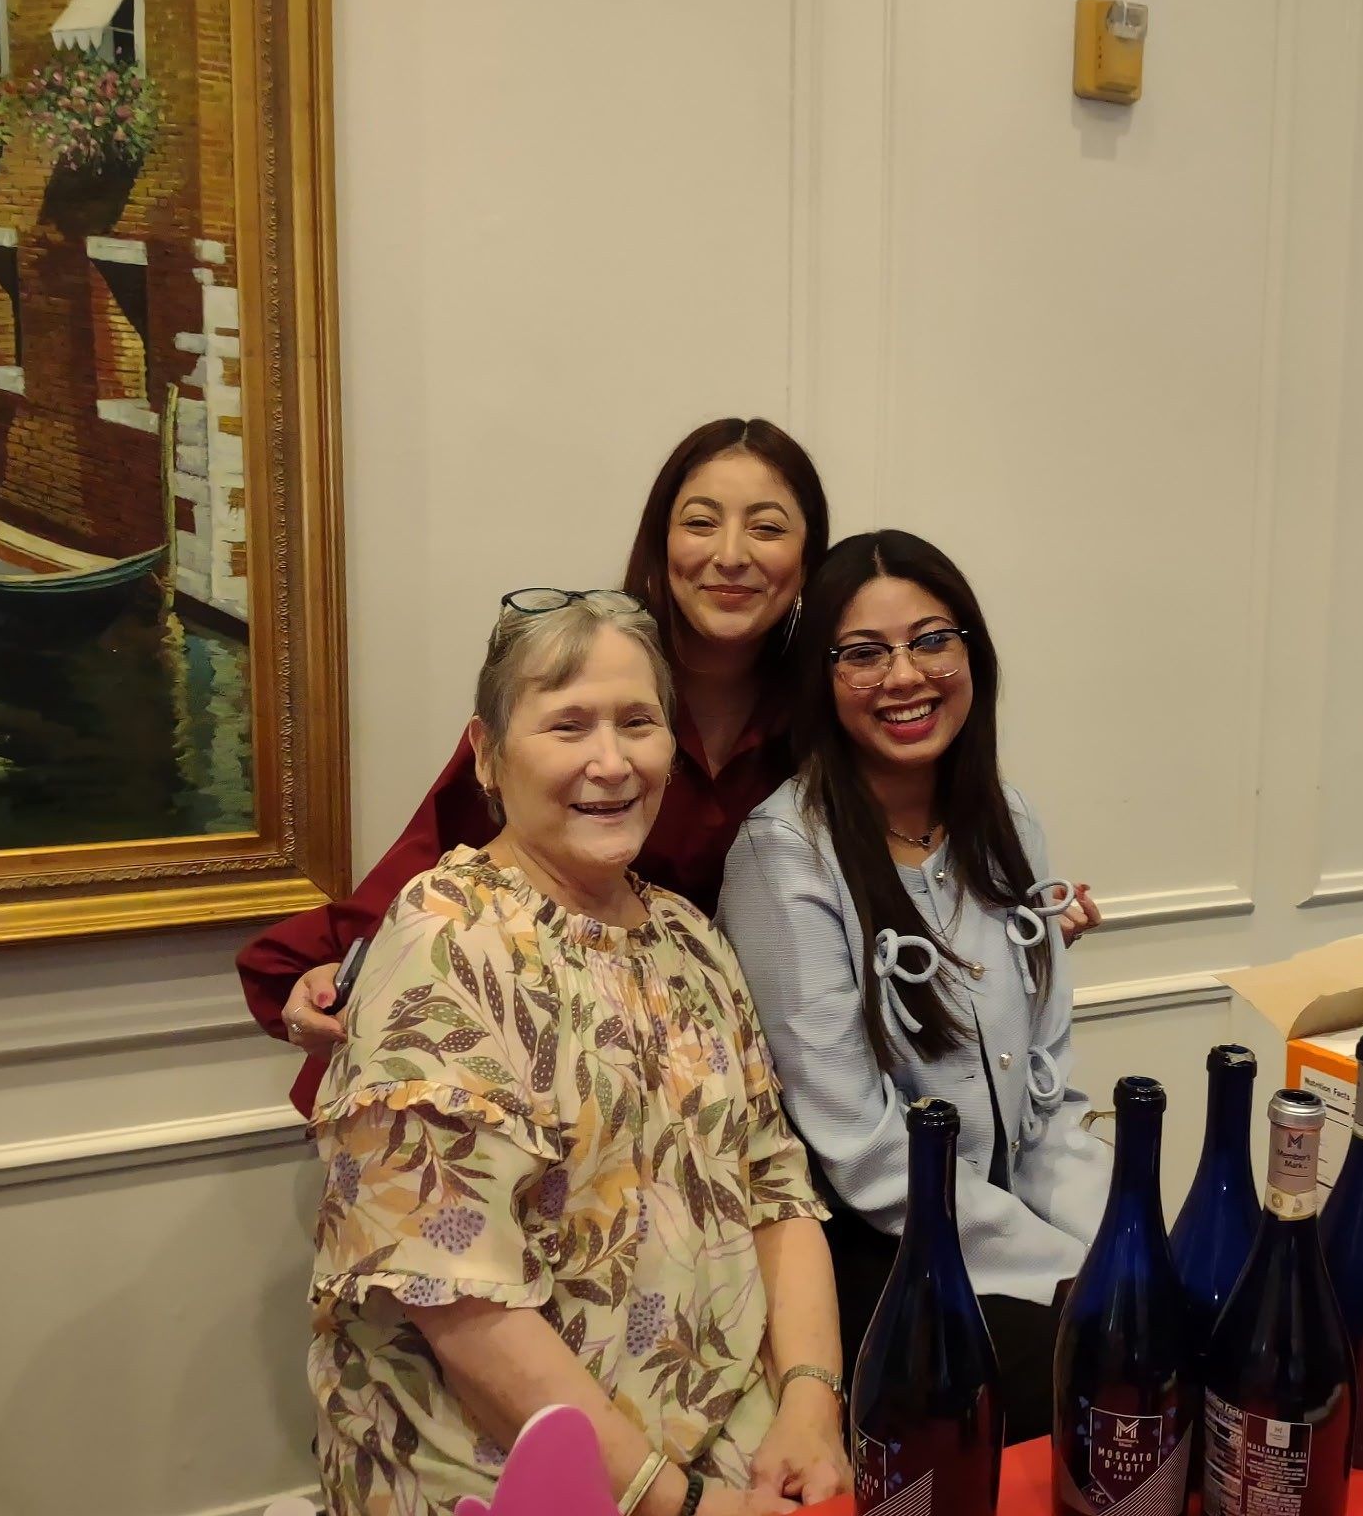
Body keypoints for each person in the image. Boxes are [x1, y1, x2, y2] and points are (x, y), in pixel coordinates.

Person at [310, 591, 850, 1516]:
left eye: (638, 722)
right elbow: (457, 1299)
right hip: (515, 1478)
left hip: (734, 1452)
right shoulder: (445, 941)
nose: (611, 761)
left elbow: (775, 1189)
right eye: (567, 725)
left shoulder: (688, 936)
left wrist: (812, 1404)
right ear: (485, 753)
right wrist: (675, 1503)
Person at [239, 418, 831, 1117]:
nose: (731, 555)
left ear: (808, 554)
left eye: (767, 528)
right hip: (519, 1073)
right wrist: (333, 972)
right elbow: (432, 859)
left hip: (716, 1086)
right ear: (660, 540)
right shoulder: (570, 678)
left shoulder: (827, 715)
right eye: (701, 522)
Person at [717, 530, 1111, 1445]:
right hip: (880, 1256)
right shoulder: (784, 857)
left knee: (1173, 1318)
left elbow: (1053, 1096)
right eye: (864, 654)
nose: (906, 676)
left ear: (971, 651)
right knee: (1093, 1369)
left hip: (1008, 1224)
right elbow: (863, 1155)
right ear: (822, 681)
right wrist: (1063, 1273)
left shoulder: (1008, 823)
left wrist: (1118, 1252)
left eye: (933, 639)